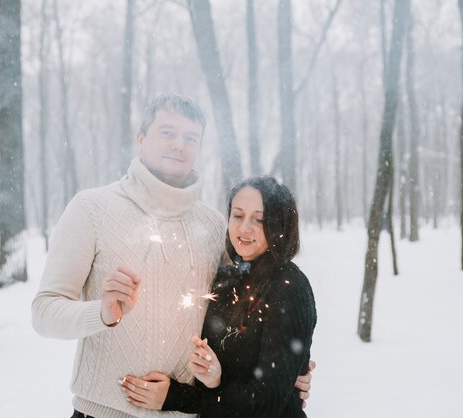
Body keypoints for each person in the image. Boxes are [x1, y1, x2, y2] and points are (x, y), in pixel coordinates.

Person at [32, 94, 312, 418]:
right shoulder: (91, 209)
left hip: (185, 413)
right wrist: (103, 313)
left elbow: (247, 318)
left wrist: (290, 370)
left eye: (190, 138)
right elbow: (44, 313)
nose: (179, 145)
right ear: (141, 137)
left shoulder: (213, 224)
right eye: (167, 133)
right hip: (103, 412)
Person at [120, 176, 316, 418]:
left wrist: (175, 397)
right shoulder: (227, 277)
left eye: (259, 219)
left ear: (280, 226)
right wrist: (215, 379)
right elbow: (234, 374)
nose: (244, 228)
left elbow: (266, 402)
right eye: (238, 215)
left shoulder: (288, 287)